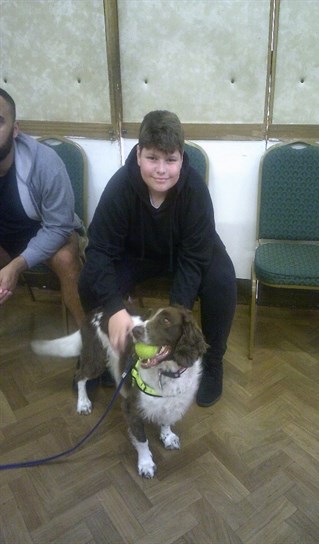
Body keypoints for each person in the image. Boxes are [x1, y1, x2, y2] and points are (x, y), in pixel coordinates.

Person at [78, 110, 237, 407]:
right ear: (139, 155)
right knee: (89, 281)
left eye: (170, 160)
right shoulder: (119, 188)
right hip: (137, 253)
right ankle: (103, 351)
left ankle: (212, 363)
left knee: (223, 281)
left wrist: (172, 322)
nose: (161, 169)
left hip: (189, 252)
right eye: (152, 158)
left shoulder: (195, 192)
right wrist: (114, 309)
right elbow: (99, 250)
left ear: (182, 158)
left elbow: (193, 259)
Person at [0, 88, 85, 328]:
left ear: (15, 129)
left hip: (49, 232)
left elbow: (59, 227)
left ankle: (91, 342)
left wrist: (17, 265)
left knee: (67, 259)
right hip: (5, 238)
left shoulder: (46, 163)